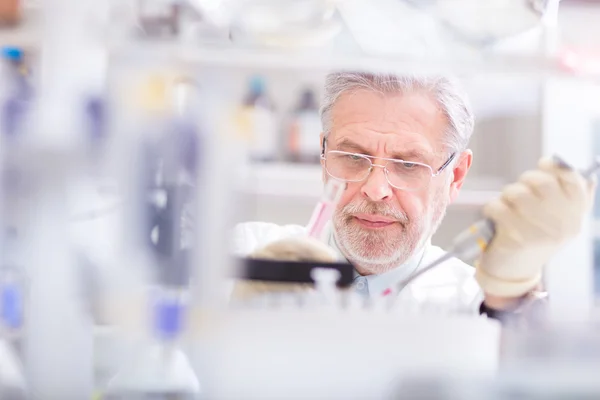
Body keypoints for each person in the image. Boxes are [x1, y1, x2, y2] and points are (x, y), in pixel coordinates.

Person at [232, 71, 595, 318]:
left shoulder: (474, 303)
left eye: (407, 165)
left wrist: (513, 293)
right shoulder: (246, 253)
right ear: (324, 156)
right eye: (353, 158)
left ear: (455, 176)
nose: (376, 189)